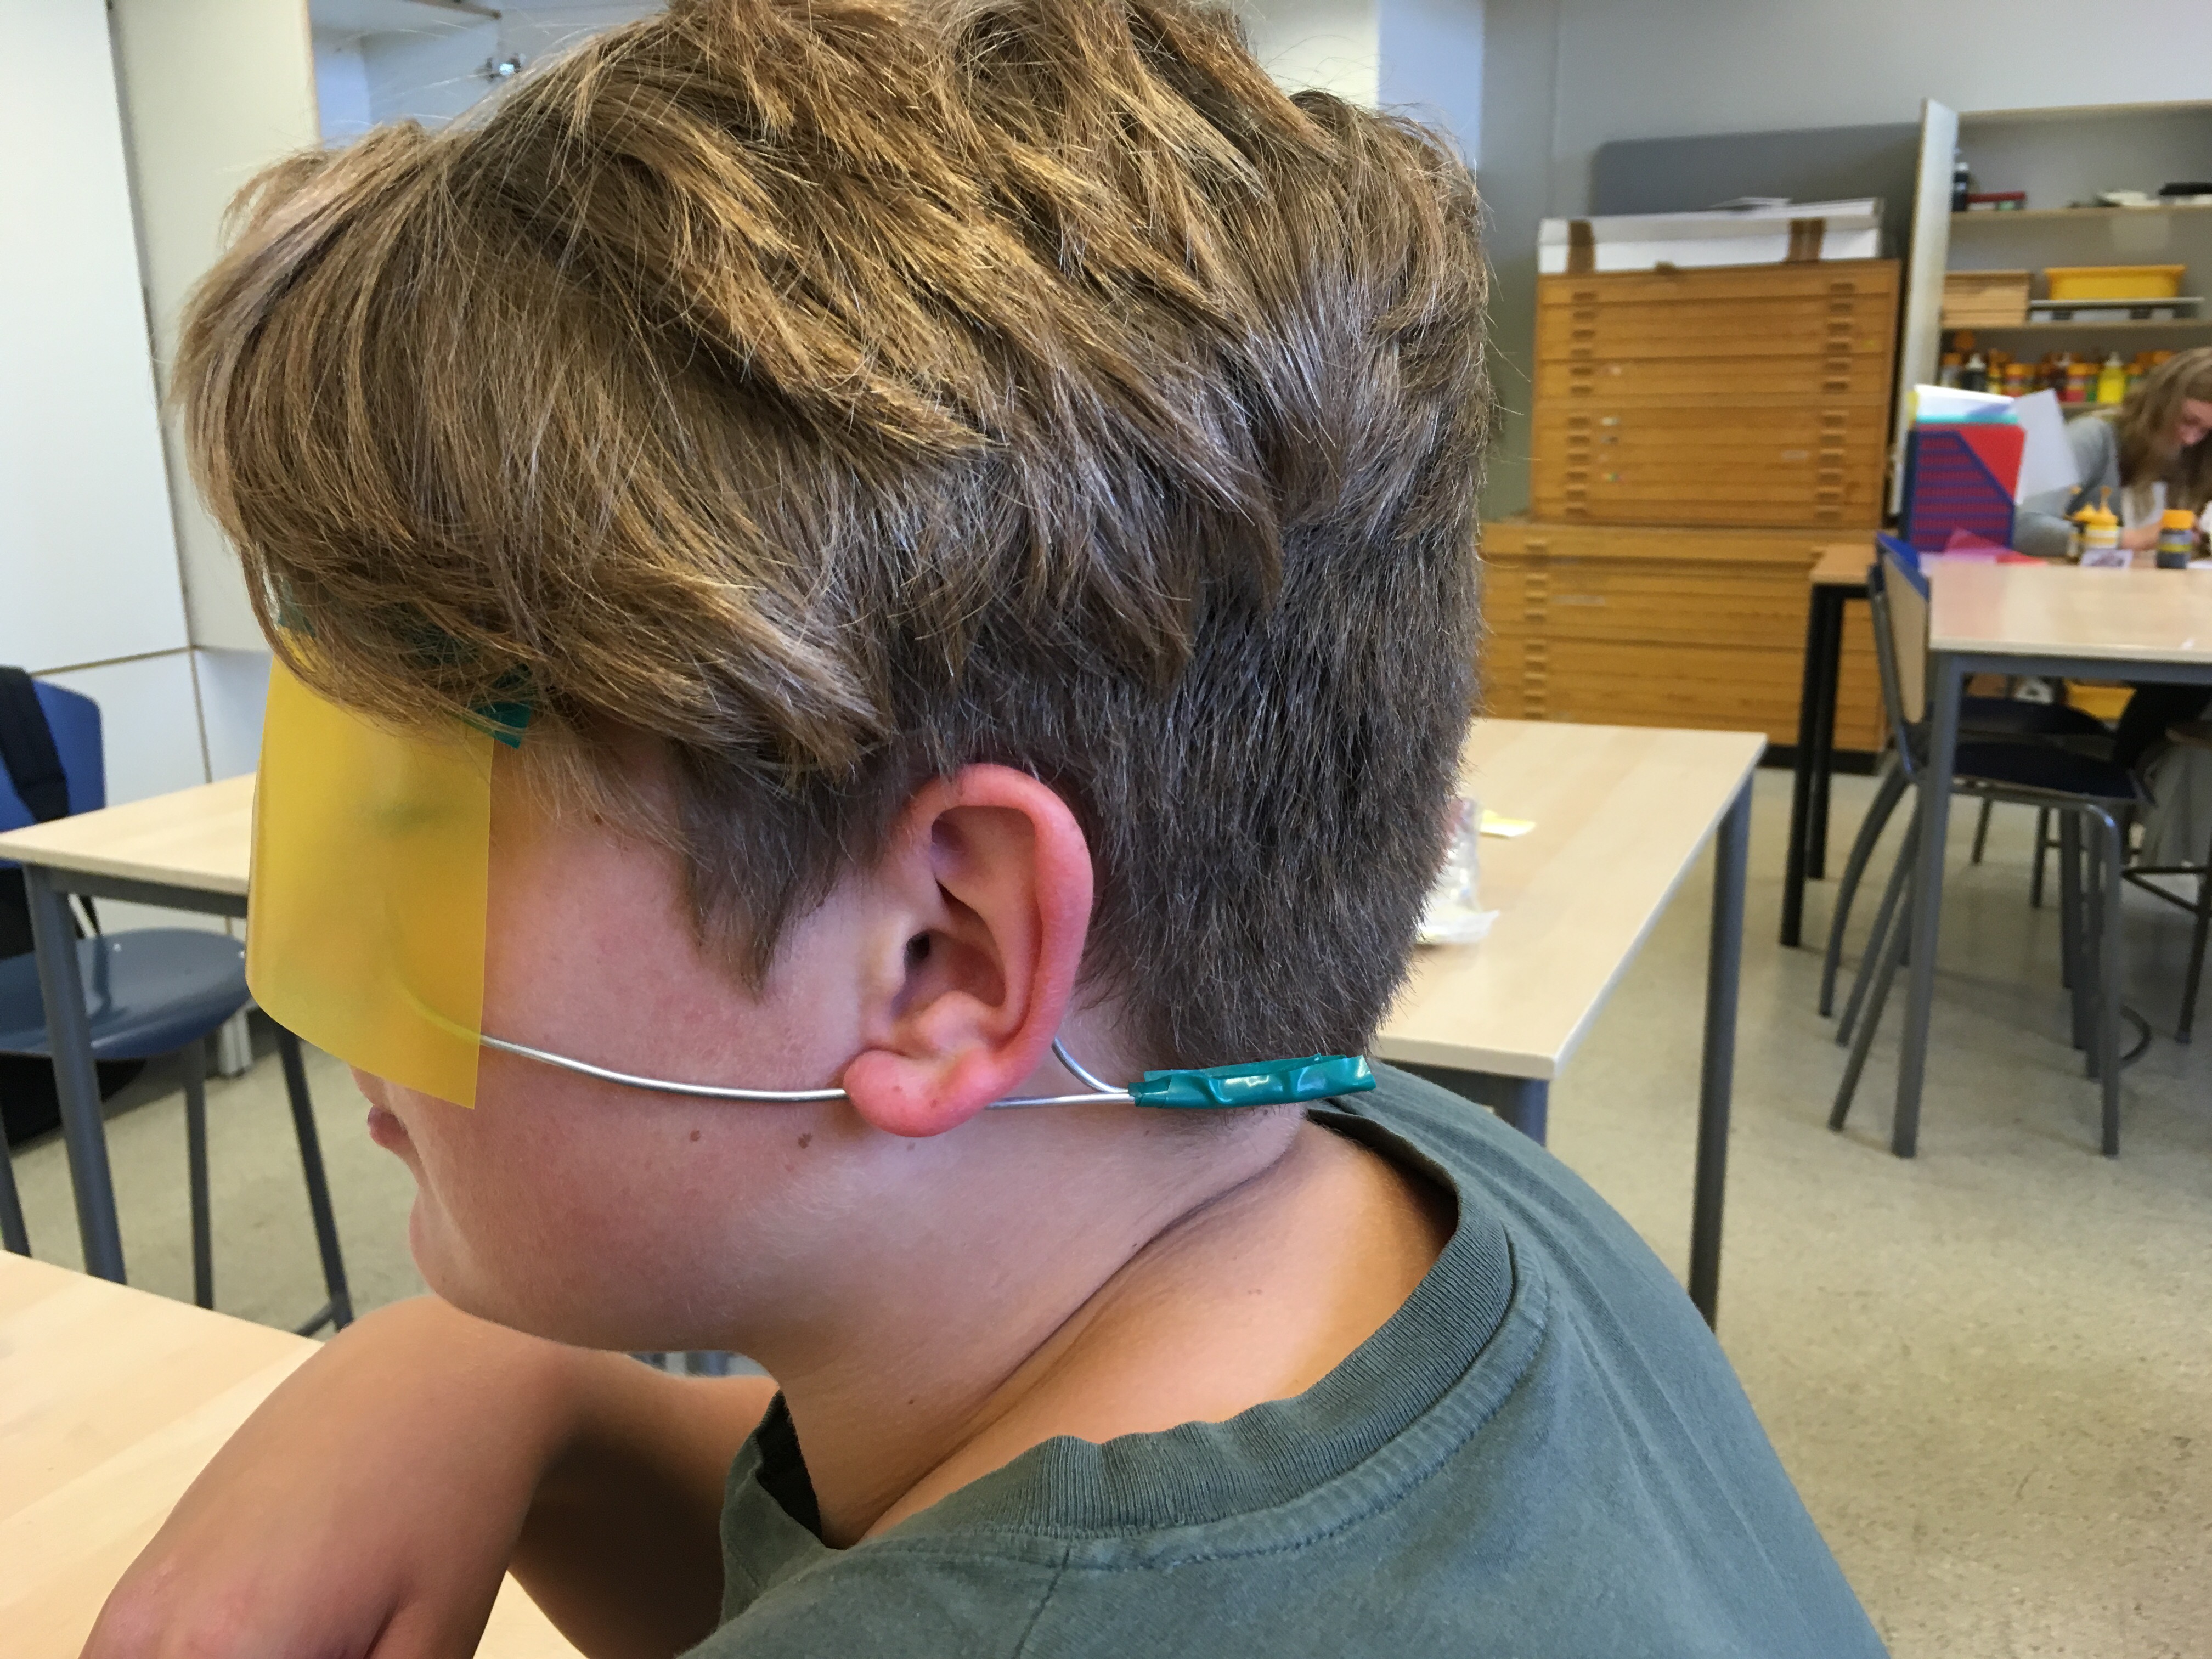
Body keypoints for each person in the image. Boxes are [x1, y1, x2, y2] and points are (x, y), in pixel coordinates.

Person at [86, 3, 1884, 1656]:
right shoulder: (1378, 1163)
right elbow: (960, 1551)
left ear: (948, 954)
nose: (332, 957)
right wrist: (519, 1393)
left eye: (415, 814)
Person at [2016, 348, 2212, 766]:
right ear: (2160, 401)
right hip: (2077, 617)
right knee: (2186, 686)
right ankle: (2128, 783)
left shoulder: (2198, 455)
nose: (2192, 438)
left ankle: (2140, 787)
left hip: (2157, 621)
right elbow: (2024, 527)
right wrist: (2133, 538)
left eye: (2206, 430)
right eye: (2188, 420)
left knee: (2193, 684)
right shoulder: (2092, 435)